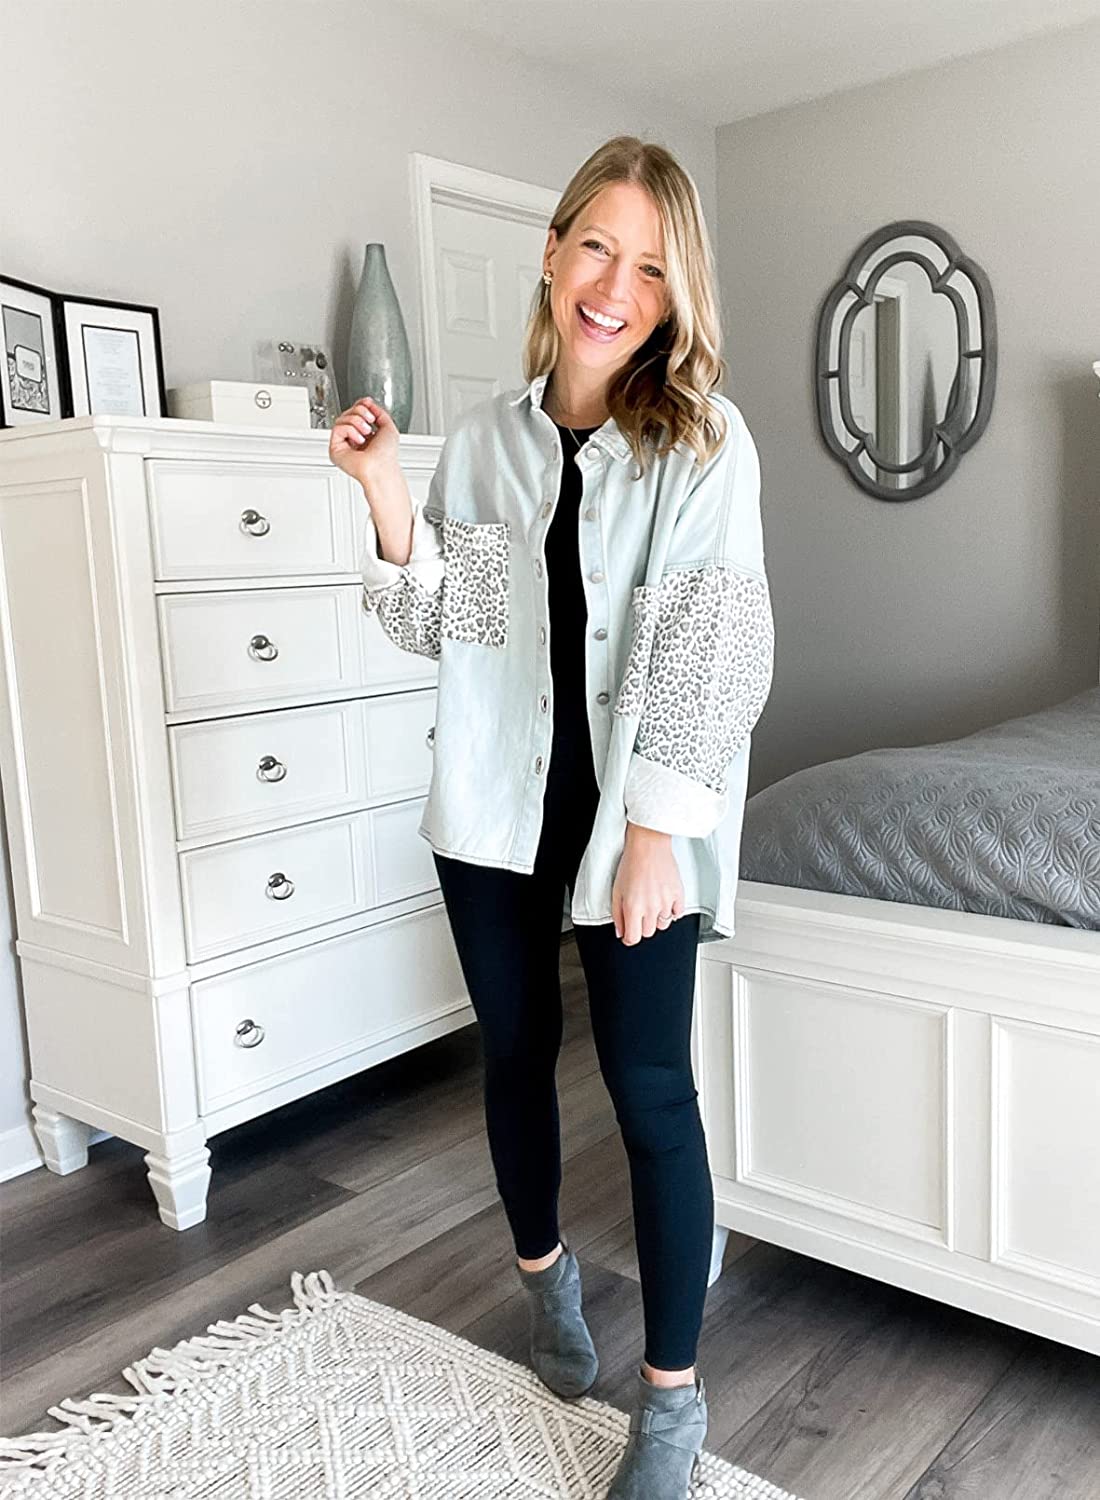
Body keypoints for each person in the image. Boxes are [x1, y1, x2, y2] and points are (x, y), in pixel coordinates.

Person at [329, 134, 774, 1500]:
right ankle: (547, 1279)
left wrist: (655, 835)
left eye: (651, 267)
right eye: (597, 248)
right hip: (493, 816)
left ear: (676, 292)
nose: (615, 287)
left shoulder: (702, 441)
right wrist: (386, 495)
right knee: (515, 1058)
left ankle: (673, 1405)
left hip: (635, 828)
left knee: (651, 1092)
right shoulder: (486, 442)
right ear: (552, 250)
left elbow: (712, 646)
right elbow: (443, 626)